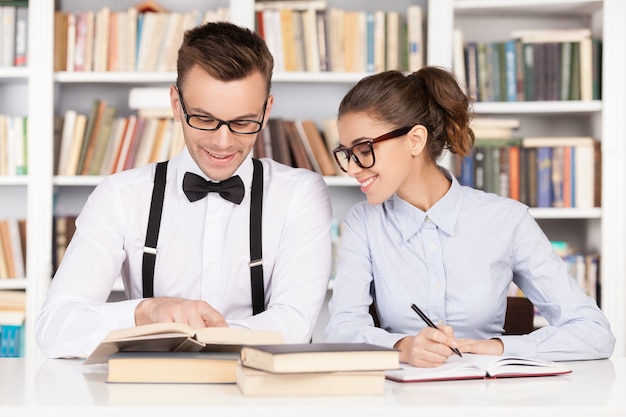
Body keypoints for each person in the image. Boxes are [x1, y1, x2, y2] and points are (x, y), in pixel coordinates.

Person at [36, 21, 332, 359]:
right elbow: (54, 328)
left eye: (242, 122)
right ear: (176, 104)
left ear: (266, 111)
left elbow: (293, 326)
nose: (223, 142)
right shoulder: (120, 196)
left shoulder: (300, 195)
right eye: (204, 119)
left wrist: (197, 334)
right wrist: (145, 313)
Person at [324, 66, 615, 368]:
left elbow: (594, 333)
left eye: (363, 149)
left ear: (415, 140)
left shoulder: (507, 220)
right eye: (347, 153)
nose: (353, 168)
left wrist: (500, 348)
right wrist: (401, 346)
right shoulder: (364, 222)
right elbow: (341, 330)